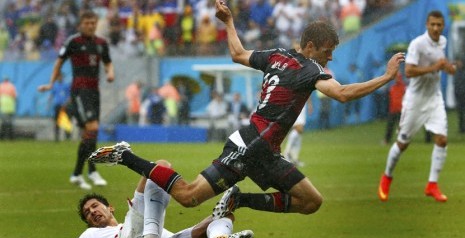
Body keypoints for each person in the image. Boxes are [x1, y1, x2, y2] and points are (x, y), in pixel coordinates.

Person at [89, 0, 404, 218]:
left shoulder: (276, 55)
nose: (329, 58)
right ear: (310, 47)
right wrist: (386, 77)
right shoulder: (309, 69)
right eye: (327, 51)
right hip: (250, 145)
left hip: (264, 150)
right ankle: (124, 155)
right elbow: (344, 94)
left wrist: (228, 22)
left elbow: (238, 54)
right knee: (187, 196)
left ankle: (238, 198)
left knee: (311, 201)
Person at [10, 159, 254, 238]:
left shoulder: (129, 219)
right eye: (87, 213)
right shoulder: (93, 234)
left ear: (110, 208)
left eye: (95, 206)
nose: (92, 212)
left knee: (221, 217)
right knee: (160, 166)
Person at [378, 10, 456, 203]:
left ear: (443, 26)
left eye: (439, 25)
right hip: (415, 100)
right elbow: (410, 71)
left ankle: (432, 185)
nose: (436, 28)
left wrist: (448, 67)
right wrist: (434, 67)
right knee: (403, 144)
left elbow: (441, 64)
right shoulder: (418, 44)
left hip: (434, 99)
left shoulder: (443, 42)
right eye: (433, 25)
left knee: (442, 140)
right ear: (427, 25)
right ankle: (387, 176)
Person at [38, 10, 114, 190]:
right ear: (80, 25)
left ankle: (78, 173)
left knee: (89, 134)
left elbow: (108, 62)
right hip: (80, 91)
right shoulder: (73, 42)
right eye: (87, 23)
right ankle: (92, 171)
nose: (90, 26)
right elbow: (59, 62)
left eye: (93, 23)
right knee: (92, 128)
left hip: (95, 92)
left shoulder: (101, 44)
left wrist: (111, 72)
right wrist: (50, 84)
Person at [38, 71, 72, 142]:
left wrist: (66, 103)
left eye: (61, 76)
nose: (60, 78)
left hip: (65, 106)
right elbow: (51, 95)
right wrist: (48, 103)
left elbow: (69, 96)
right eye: (58, 77)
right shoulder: (55, 86)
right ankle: (57, 137)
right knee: (57, 122)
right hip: (57, 105)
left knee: (67, 121)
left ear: (63, 77)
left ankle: (68, 137)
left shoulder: (66, 85)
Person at [283, 102, 312, 167]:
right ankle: (287, 153)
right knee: (299, 129)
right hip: (296, 102)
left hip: (303, 104)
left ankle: (294, 158)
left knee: (299, 131)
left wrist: (310, 104)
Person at [382, 71, 405, 145]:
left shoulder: (403, 88)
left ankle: (402, 140)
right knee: (390, 126)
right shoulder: (392, 88)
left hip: (401, 110)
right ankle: (387, 140)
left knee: (402, 126)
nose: (397, 79)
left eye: (398, 77)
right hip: (393, 110)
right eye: (396, 78)